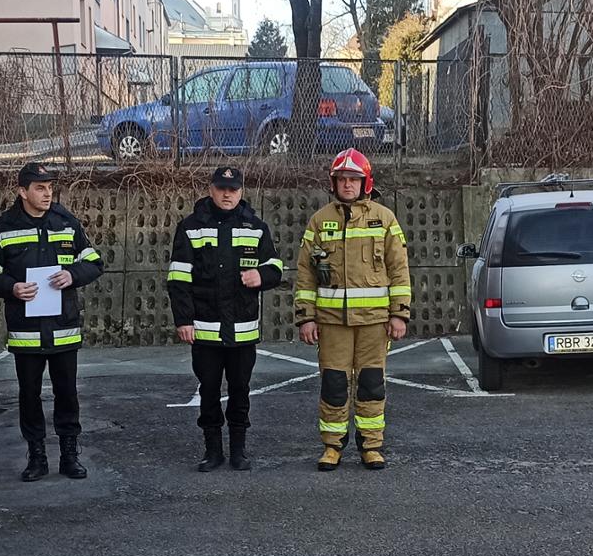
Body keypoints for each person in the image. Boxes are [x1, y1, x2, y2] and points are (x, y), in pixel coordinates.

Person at [0, 163, 105, 482]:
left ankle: (70, 455)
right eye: (40, 188)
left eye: (50, 188)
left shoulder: (65, 221)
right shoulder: (3, 227)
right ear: (22, 192)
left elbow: (94, 262)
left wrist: (72, 274)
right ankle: (37, 457)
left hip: (63, 329)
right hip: (26, 332)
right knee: (29, 395)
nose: (47, 194)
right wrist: (11, 287)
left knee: (67, 394)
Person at [293, 149, 412, 471]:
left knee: (372, 384)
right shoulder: (319, 221)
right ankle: (332, 447)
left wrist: (399, 314)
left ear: (365, 183)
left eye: (353, 179)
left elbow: (399, 269)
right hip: (332, 323)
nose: (347, 185)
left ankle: (371, 446)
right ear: (333, 183)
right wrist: (306, 317)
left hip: (374, 322)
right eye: (342, 179)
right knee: (333, 385)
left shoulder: (384, 219)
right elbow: (305, 273)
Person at [168, 166, 284, 471]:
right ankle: (212, 451)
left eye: (233, 189)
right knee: (208, 390)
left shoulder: (256, 227)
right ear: (211, 189)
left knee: (240, 390)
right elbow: (178, 280)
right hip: (204, 330)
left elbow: (275, 267)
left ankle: (238, 450)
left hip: (243, 331)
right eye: (221, 188)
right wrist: (183, 321)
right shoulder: (191, 227)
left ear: (242, 191)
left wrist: (261, 275)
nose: (227, 194)